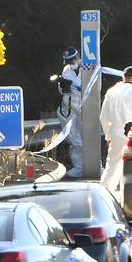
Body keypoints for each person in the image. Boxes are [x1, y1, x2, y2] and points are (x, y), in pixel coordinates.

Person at [99, 66, 132, 191]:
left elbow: (103, 117)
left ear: (123, 77)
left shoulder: (111, 92)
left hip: (116, 133)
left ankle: (105, 192)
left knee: (112, 166)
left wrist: (108, 136)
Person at [57, 46, 84, 178]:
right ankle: (79, 166)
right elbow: (62, 91)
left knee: (88, 138)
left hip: (84, 109)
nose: (72, 63)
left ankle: (95, 165)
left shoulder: (88, 68)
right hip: (68, 109)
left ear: (78, 57)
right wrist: (63, 87)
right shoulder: (66, 70)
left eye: (73, 59)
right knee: (74, 139)